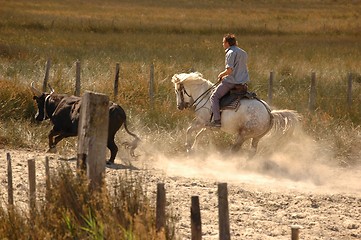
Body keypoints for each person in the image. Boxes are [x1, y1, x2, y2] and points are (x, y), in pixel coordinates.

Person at [207, 33, 250, 128]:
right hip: (242, 83)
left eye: (223, 42)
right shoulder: (243, 52)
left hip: (231, 82)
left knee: (214, 97)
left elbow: (229, 70)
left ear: (227, 43)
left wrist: (221, 75)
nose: (222, 44)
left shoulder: (230, 53)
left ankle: (217, 121)